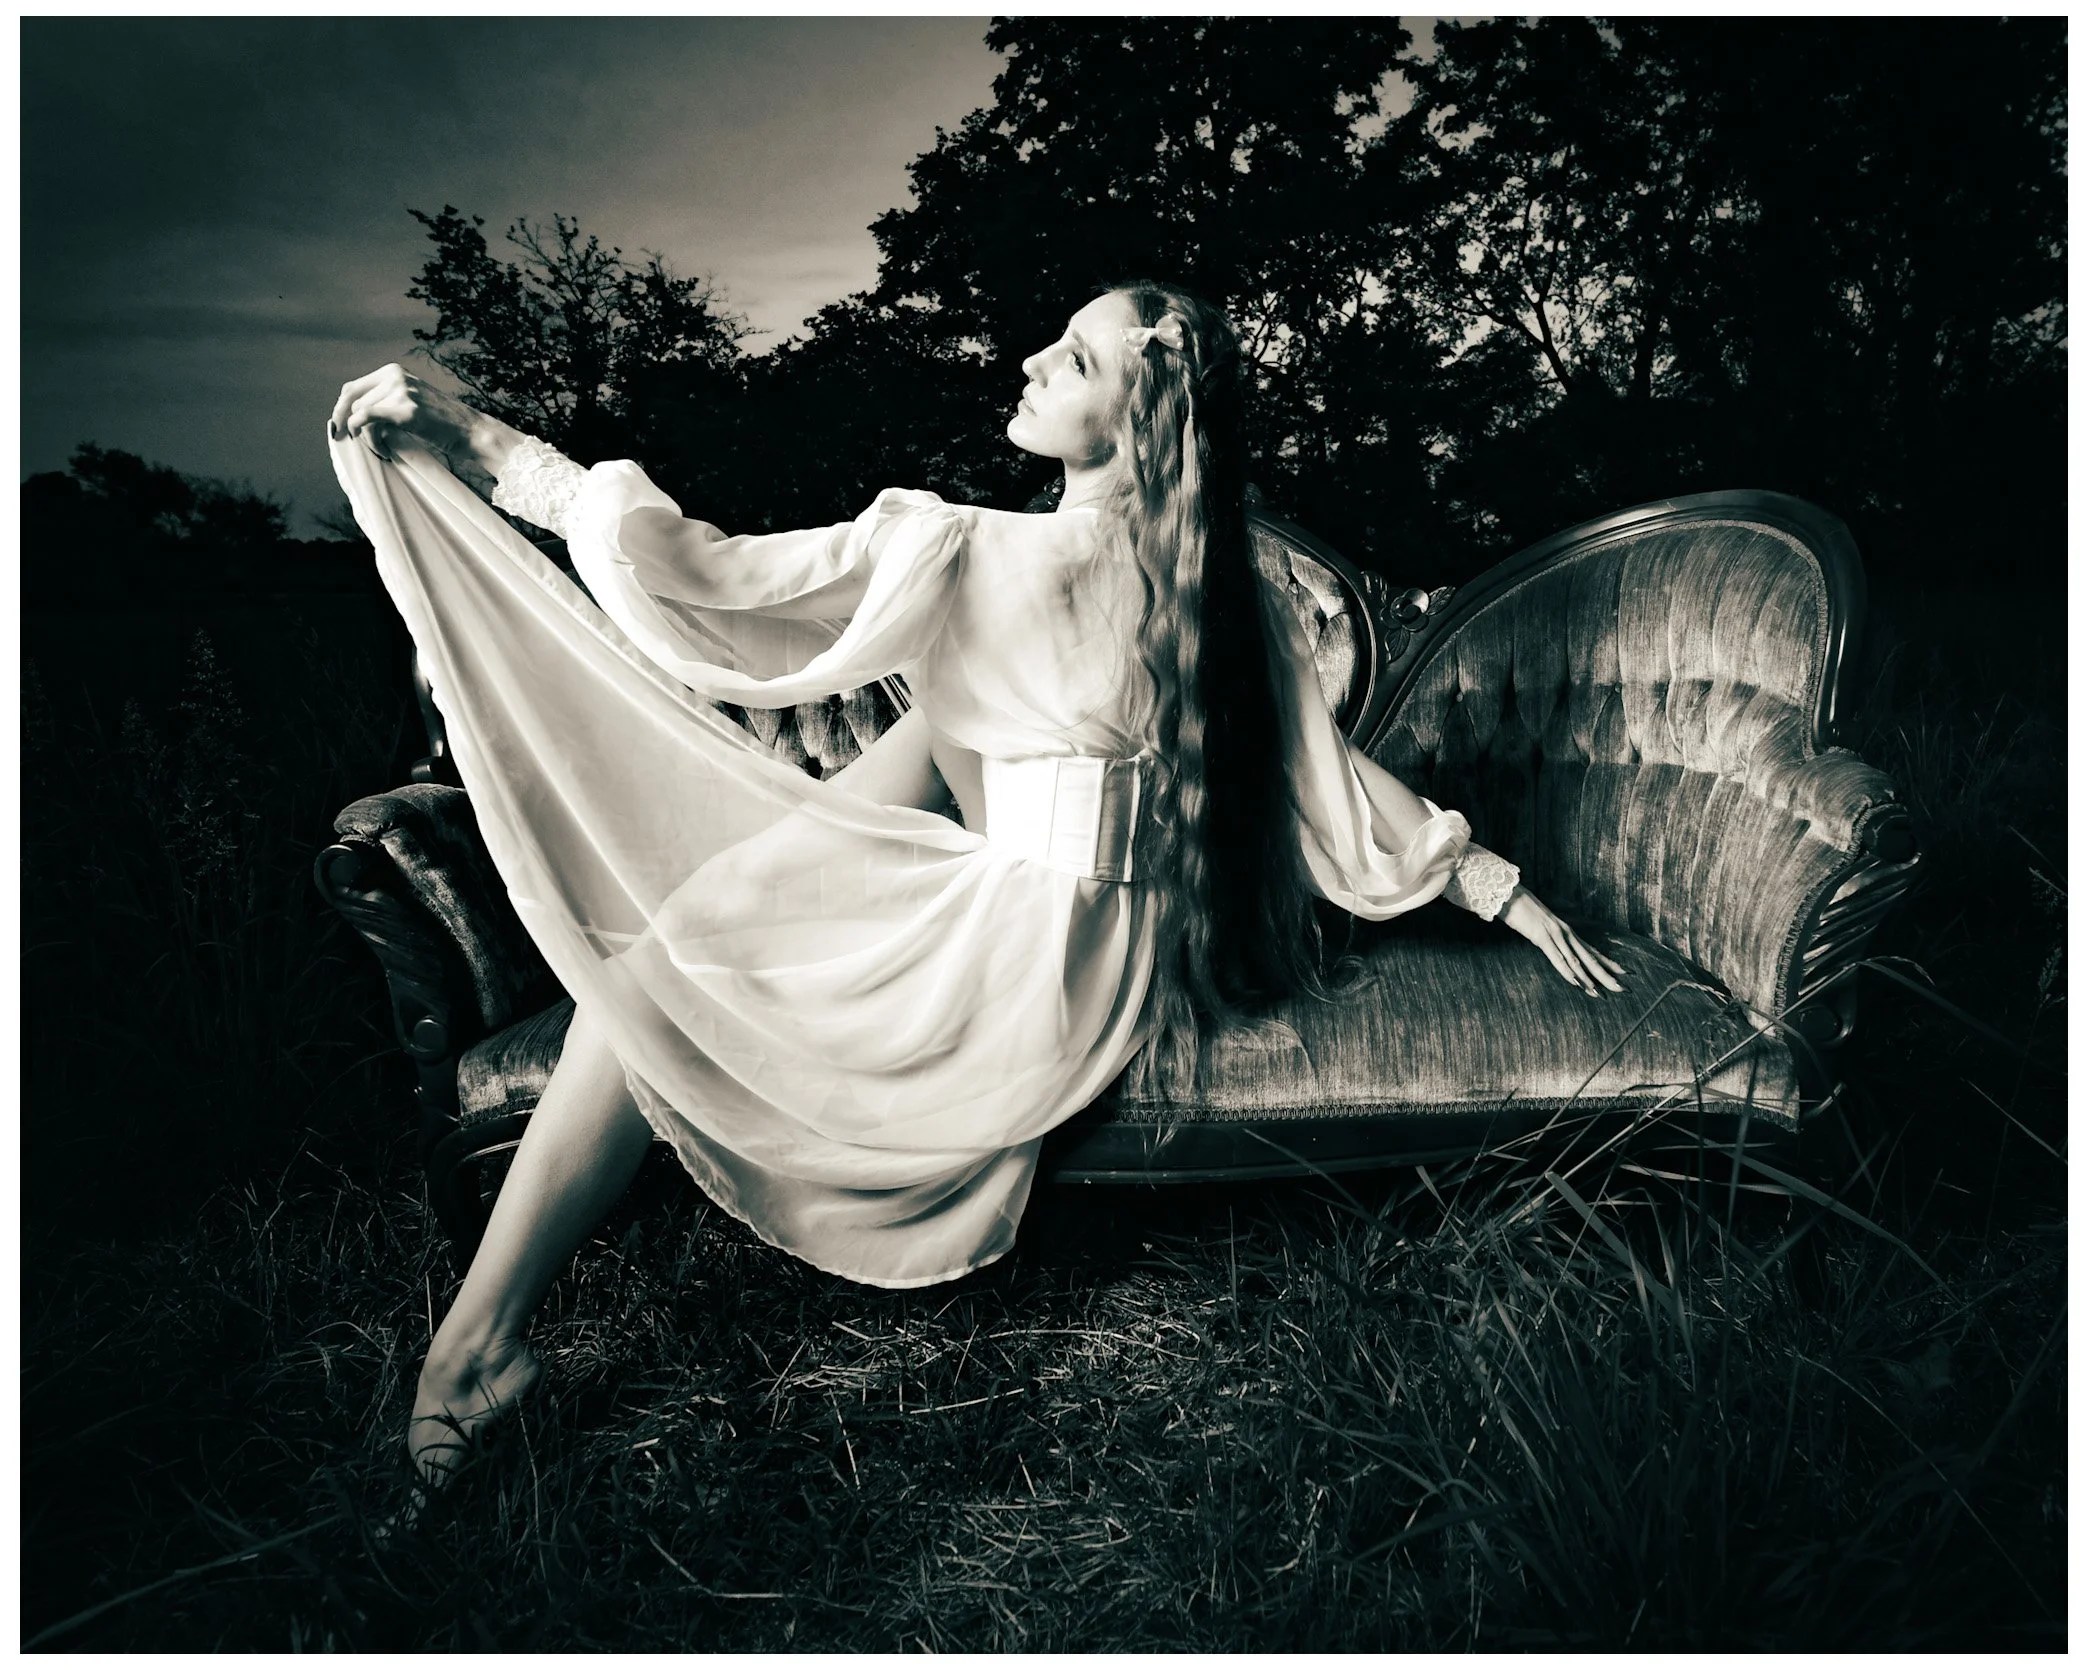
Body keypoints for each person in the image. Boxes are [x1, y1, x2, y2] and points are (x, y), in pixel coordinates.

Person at [328, 281, 1624, 1496]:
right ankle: (495, 1319)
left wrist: (493, 448)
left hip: (1024, 963)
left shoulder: (1010, 555)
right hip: (1098, 949)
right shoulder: (1189, 586)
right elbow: (1332, 778)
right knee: (724, 916)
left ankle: (476, 1348)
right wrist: (1498, 887)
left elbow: (709, 578)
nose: (1032, 362)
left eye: (1075, 359)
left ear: (1140, 418)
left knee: (650, 990)